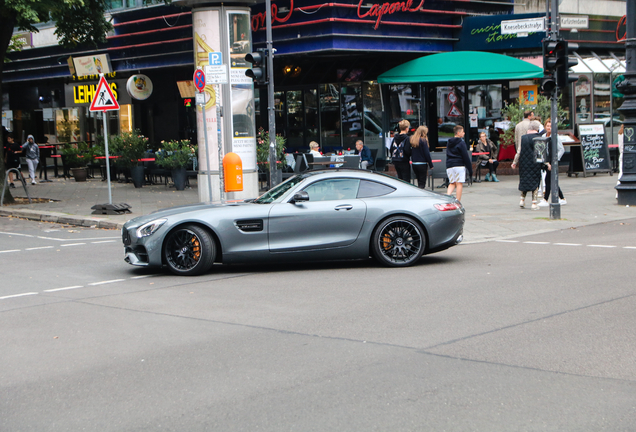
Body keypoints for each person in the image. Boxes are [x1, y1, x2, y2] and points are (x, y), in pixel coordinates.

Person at [511, 120, 542, 210]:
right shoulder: (538, 138)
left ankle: (522, 200)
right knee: (535, 182)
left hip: (524, 163)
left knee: (524, 181)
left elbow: (519, 151)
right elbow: (540, 152)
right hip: (535, 163)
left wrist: (514, 162)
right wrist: (546, 163)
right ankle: (534, 203)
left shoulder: (523, 138)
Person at [538, 119, 566, 206]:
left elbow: (561, 149)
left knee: (548, 180)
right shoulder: (543, 136)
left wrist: (555, 160)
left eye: (551, 126)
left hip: (553, 161)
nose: (549, 128)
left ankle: (546, 199)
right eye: (547, 126)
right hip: (546, 161)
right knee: (552, 180)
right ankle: (562, 198)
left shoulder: (555, 136)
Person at [446, 125, 472, 202]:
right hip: (459, 165)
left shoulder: (449, 142)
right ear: (458, 133)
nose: (464, 133)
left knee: (452, 183)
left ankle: (447, 197)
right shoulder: (461, 143)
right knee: (459, 183)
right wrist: (470, 169)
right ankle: (458, 201)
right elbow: (465, 156)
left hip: (450, 165)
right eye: (462, 132)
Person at [616, 124, 624, 199]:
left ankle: (617, 192)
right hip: (627, 154)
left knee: (621, 173)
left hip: (622, 154)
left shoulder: (620, 133)